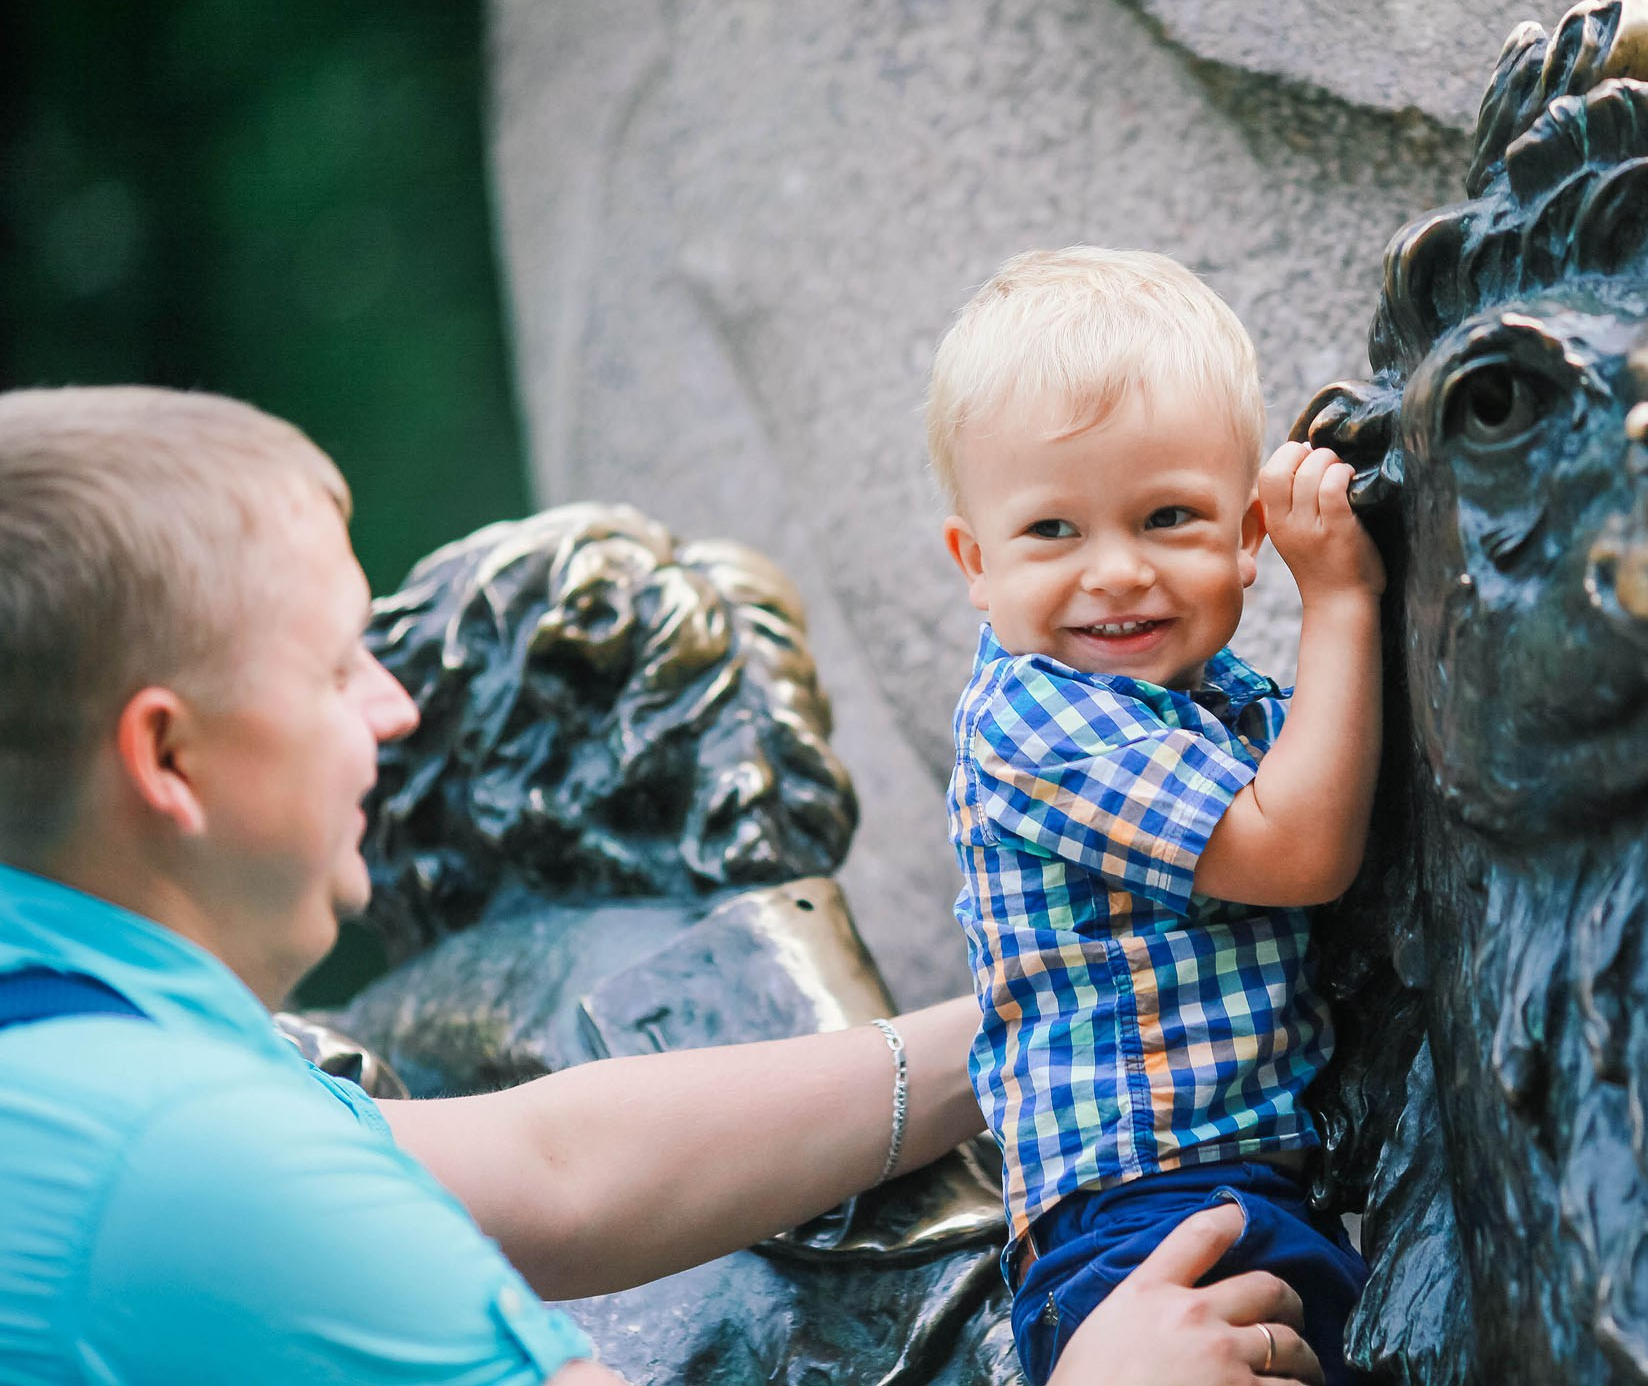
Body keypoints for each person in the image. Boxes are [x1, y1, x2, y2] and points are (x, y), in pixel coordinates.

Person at [0, 386, 1322, 1386]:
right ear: (165, 754)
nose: (391, 708)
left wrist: (1066, 1005)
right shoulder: (190, 1168)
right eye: (337, 664)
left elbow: (552, 1165)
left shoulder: (81, 1068)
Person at [927, 250, 1386, 1384]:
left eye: (1166, 517)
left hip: (1259, 1183)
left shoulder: (1213, 704)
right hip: (1140, 1224)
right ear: (976, 564)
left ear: (1244, 536)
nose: (1116, 571)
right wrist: (1341, 596)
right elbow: (1302, 848)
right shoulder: (1038, 721)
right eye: (1053, 533)